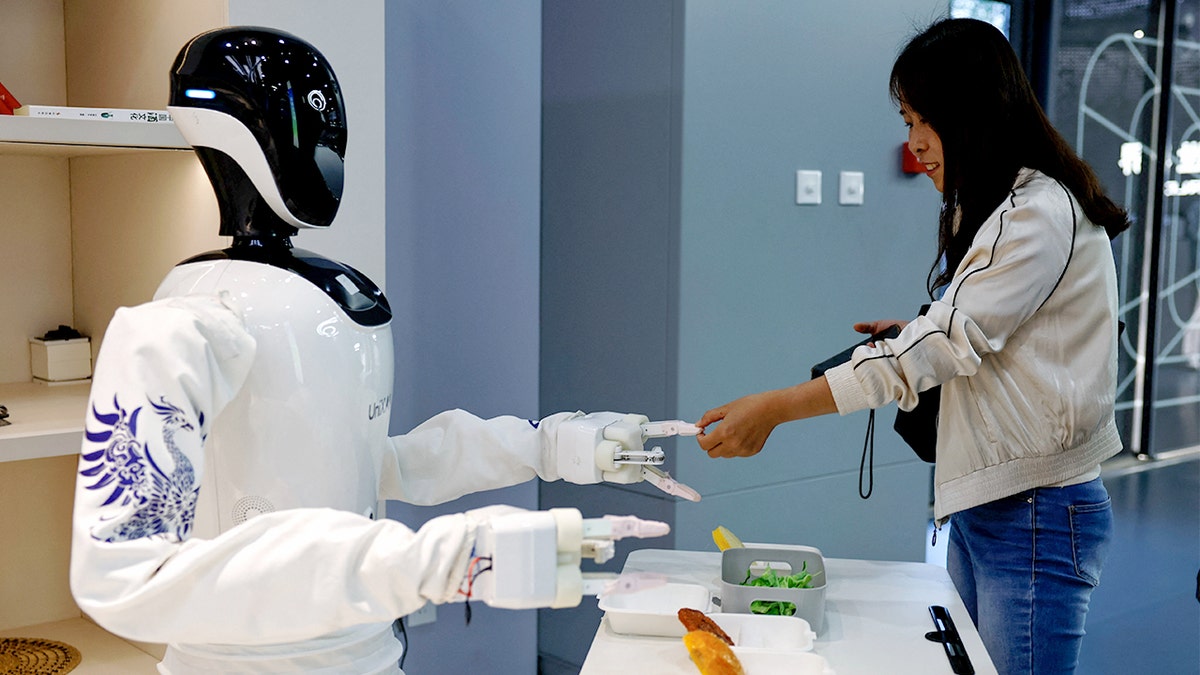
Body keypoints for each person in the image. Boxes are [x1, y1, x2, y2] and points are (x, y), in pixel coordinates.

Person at [70, 27, 677, 674]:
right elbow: (120, 572)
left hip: (370, 652)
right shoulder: (184, 319)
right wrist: (442, 560)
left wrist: (552, 445)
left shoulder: (307, 297)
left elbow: (368, 466)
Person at [695, 17, 1129, 675]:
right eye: (906, 122)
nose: (914, 143)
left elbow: (946, 345)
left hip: (1036, 514)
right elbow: (980, 336)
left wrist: (777, 408)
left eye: (923, 121)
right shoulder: (996, 209)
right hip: (993, 505)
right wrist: (912, 335)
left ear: (971, 115)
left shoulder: (1036, 211)